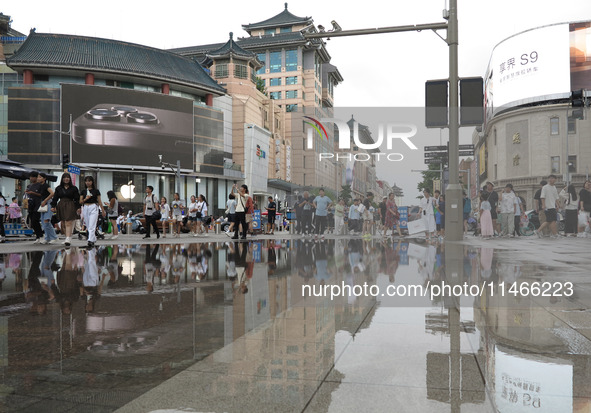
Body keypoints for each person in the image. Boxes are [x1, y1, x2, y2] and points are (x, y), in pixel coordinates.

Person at [51, 172, 80, 247]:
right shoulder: (58, 188)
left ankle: (67, 238)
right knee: (63, 223)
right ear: (62, 179)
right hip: (61, 205)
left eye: (68, 177)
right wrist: (53, 206)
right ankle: (68, 237)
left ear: (70, 179)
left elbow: (77, 199)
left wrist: (78, 207)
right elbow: (55, 198)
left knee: (68, 222)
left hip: (70, 205)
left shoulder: (74, 188)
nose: (66, 179)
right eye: (64, 177)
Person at [79, 175, 106, 248]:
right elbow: (80, 201)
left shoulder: (96, 191)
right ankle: (93, 238)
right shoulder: (83, 191)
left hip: (94, 206)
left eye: (89, 181)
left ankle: (90, 240)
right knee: (87, 224)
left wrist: (103, 210)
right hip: (85, 207)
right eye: (86, 181)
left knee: (92, 224)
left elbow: (100, 201)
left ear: (92, 182)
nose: (87, 182)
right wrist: (85, 199)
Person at [37, 173, 58, 245]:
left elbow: (52, 193)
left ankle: (54, 237)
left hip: (48, 203)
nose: (38, 178)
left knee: (46, 221)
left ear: (44, 178)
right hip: (43, 204)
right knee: (43, 222)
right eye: (38, 177)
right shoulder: (40, 186)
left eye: (40, 177)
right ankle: (48, 237)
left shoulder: (46, 185)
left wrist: (45, 200)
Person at [25, 171, 44, 243]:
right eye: (30, 177)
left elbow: (42, 195)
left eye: (32, 177)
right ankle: (37, 236)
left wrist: (33, 193)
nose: (31, 178)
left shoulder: (40, 185)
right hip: (31, 204)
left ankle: (41, 235)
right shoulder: (29, 186)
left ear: (36, 177)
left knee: (35, 220)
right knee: (32, 221)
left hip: (38, 204)